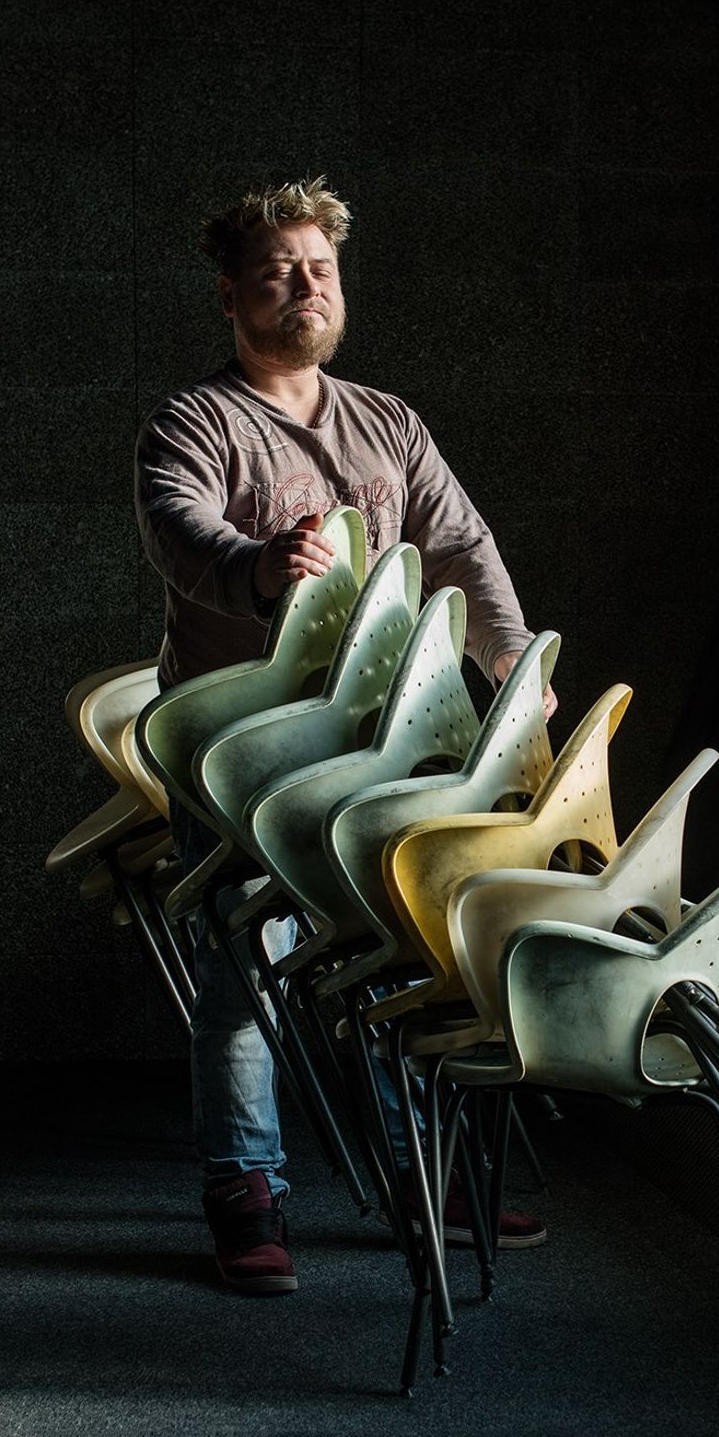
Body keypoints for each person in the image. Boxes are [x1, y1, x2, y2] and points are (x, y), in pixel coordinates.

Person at [134, 176, 554, 1293]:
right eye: (278, 271)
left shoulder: (386, 422)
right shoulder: (196, 422)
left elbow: (459, 542)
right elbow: (178, 529)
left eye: (319, 269)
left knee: (392, 962)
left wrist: (508, 658)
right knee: (244, 975)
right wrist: (258, 564)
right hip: (235, 752)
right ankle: (245, 1190)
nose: (305, 287)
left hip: (370, 744)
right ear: (231, 293)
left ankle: (418, 1175)